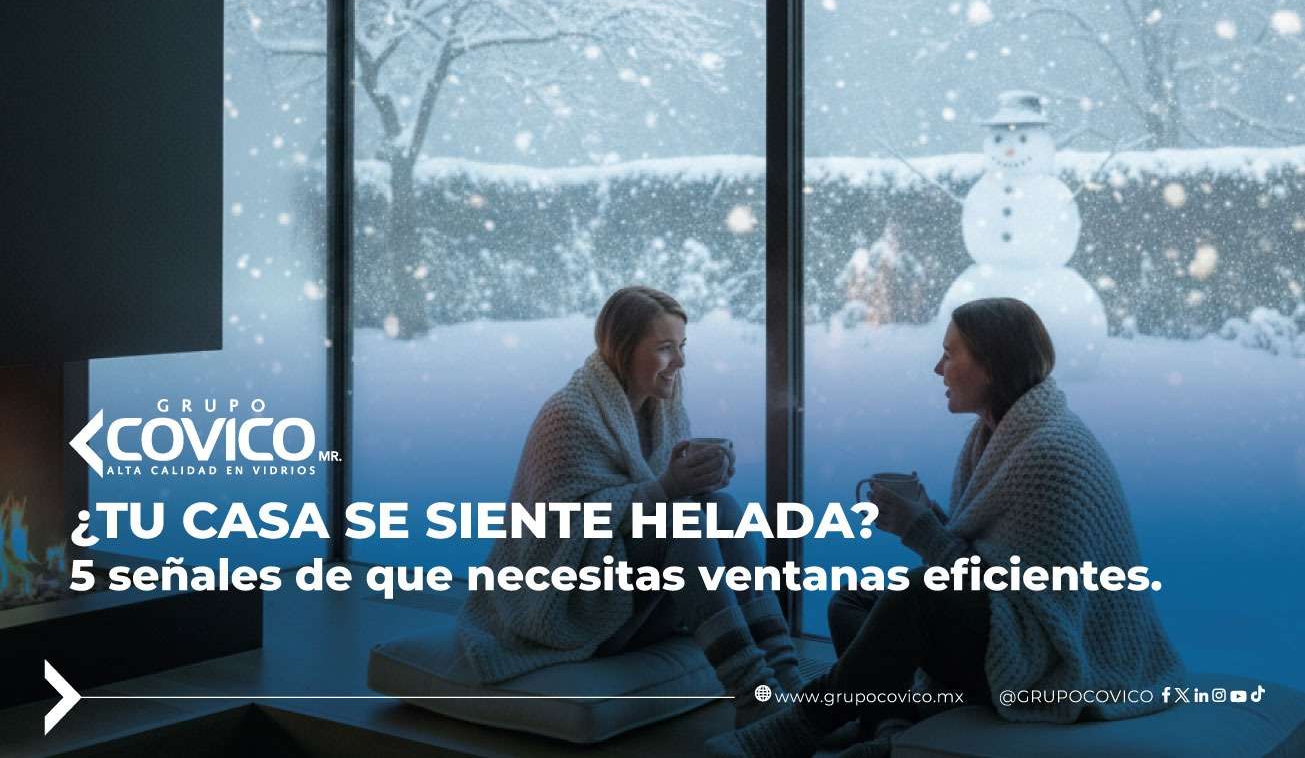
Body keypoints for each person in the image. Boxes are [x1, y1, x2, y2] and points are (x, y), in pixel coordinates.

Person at [708, 297, 1186, 757]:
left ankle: (801, 726)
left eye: (950, 353)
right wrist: (928, 517)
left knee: (916, 595)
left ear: (992, 365)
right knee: (852, 602)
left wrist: (920, 528)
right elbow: (988, 557)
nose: (938, 369)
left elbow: (1004, 587)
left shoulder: (1049, 454)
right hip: (1011, 620)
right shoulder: (996, 433)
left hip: (1048, 648)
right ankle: (889, 726)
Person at [457, 286, 803, 727]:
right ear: (621, 349)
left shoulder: (667, 409)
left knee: (724, 508)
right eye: (664, 349)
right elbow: (561, 529)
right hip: (573, 602)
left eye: (681, 347)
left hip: (638, 593)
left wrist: (702, 480)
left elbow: (666, 505)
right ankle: (754, 694)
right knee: (682, 523)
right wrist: (667, 489)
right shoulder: (568, 415)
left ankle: (788, 680)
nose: (679, 362)